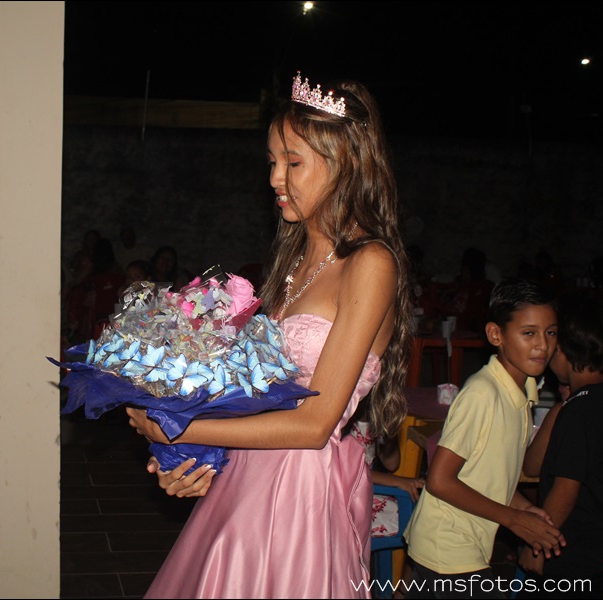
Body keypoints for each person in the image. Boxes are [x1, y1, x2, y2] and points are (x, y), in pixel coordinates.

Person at [127, 71, 414, 598]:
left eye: (293, 163)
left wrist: (177, 428)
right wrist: (192, 461)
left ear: (346, 163)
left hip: (298, 492)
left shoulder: (370, 263)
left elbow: (313, 424)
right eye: (272, 162)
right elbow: (254, 398)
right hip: (248, 476)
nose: (275, 178)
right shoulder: (293, 261)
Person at [403, 279, 565, 598]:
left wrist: (523, 508)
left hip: (464, 544)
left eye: (551, 333)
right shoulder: (483, 393)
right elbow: (439, 480)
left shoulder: (522, 391)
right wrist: (513, 520)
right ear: (495, 335)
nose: (542, 346)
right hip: (448, 545)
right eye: (529, 333)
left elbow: (489, 475)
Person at [518, 295, 603, 598]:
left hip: (566, 554)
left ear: (562, 350)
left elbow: (566, 488)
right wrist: (562, 407)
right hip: (596, 552)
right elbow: (532, 466)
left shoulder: (579, 413)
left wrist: (537, 544)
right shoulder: (589, 404)